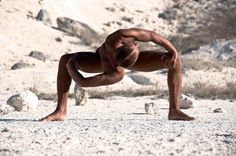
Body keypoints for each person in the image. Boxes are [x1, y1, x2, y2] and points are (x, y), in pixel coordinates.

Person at [41, 28, 194, 121]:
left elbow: (153, 35)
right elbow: (83, 82)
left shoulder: (116, 73)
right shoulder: (117, 37)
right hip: (98, 60)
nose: (136, 43)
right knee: (64, 59)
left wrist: (173, 51)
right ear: (128, 43)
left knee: (175, 61)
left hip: (121, 62)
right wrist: (70, 65)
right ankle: (61, 111)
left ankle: (174, 111)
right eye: (135, 44)